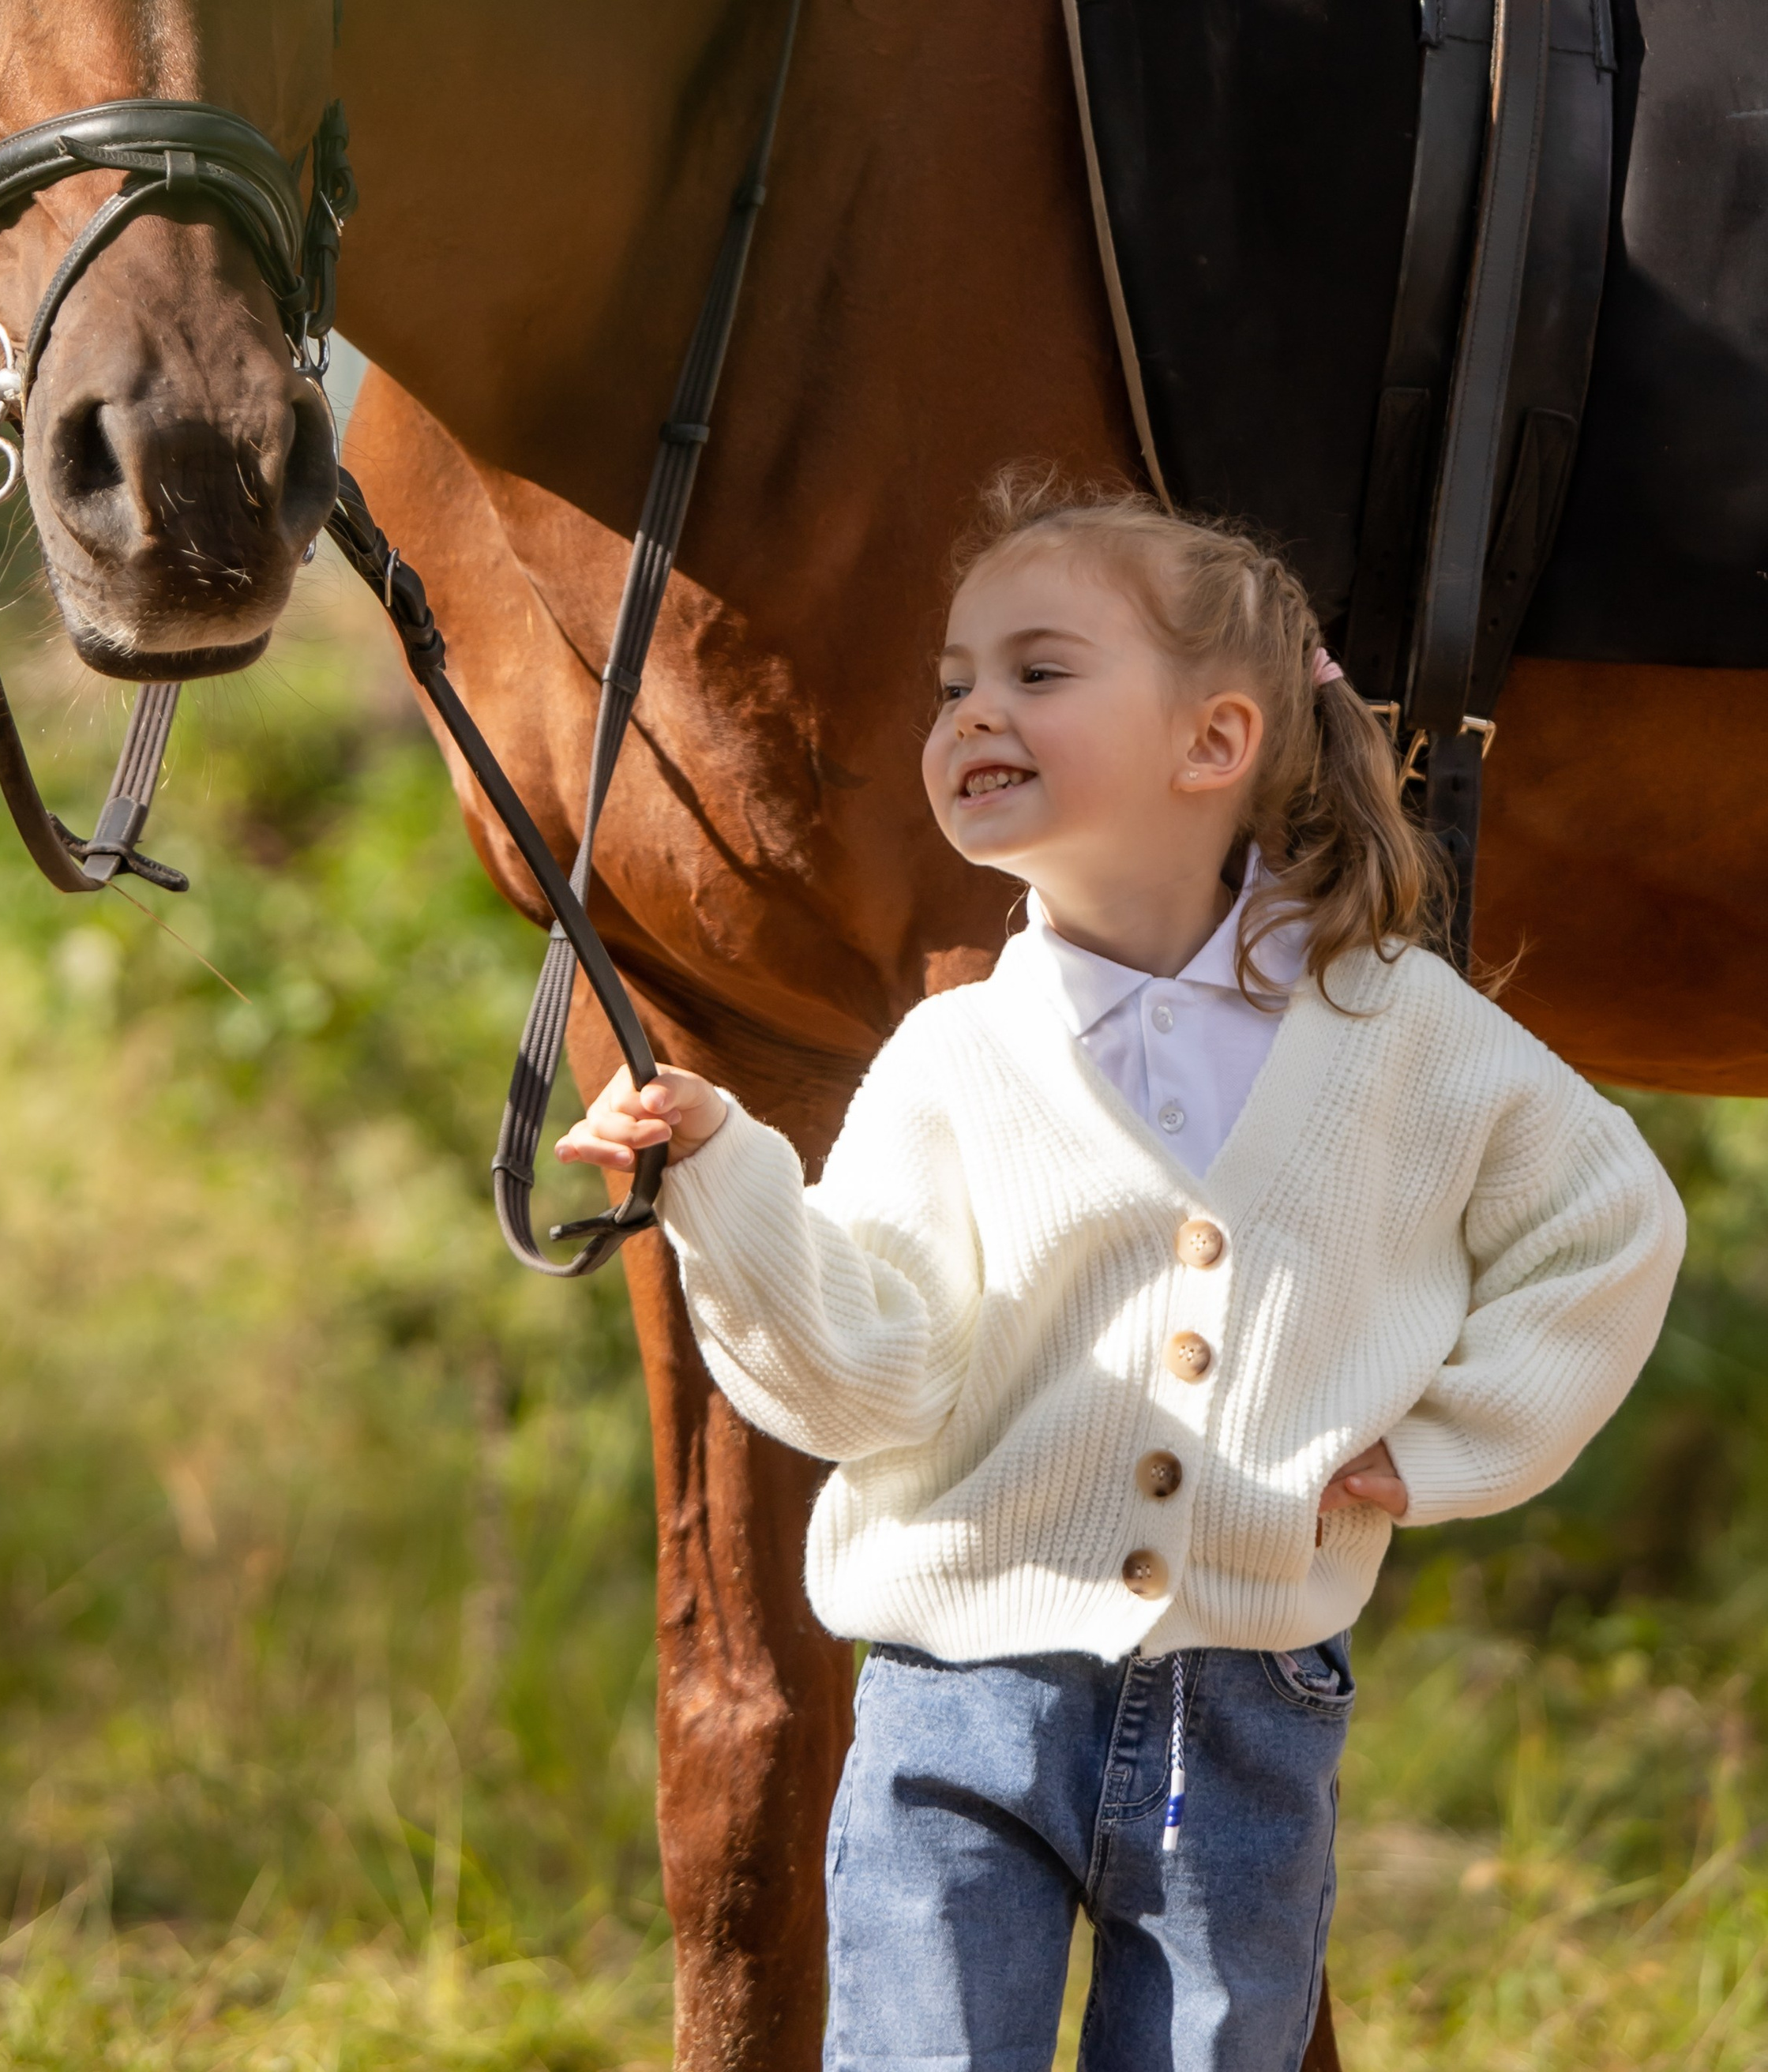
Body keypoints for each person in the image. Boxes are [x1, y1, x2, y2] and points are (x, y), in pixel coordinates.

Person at [557, 475, 1686, 2072]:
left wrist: (1444, 1445)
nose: (970, 710)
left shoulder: (1396, 1032)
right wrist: (727, 1188)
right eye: (954, 680)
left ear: (1213, 743)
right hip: (955, 1698)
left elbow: (1605, 1221)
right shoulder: (951, 1058)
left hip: (1244, 1714)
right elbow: (869, 1375)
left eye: (1036, 670)